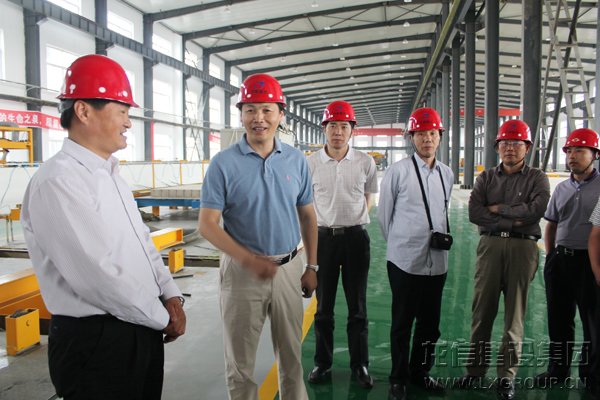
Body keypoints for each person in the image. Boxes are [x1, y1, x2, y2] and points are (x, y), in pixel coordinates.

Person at [20, 54, 186, 400]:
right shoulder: (59, 181)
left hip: (139, 326)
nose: (128, 123)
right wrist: (161, 317)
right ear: (83, 111)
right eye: (122, 111)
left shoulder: (110, 173)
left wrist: (170, 294)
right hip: (96, 341)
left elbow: (142, 242)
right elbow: (98, 275)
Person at [198, 73, 318, 400]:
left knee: (291, 356)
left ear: (280, 114)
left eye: (267, 110)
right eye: (250, 110)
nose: (259, 118)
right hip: (241, 274)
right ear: (241, 115)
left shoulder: (296, 161)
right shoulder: (223, 164)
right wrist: (248, 260)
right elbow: (207, 224)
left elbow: (308, 216)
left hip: (289, 269)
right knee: (240, 363)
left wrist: (312, 266)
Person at [457, 119, 550, 400]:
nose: (510, 148)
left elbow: (535, 212)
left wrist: (499, 210)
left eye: (516, 143)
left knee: (515, 314)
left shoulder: (537, 178)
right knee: (482, 311)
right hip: (490, 247)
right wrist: (514, 216)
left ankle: (506, 377)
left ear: (527, 147)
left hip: (523, 249)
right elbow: (475, 213)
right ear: (497, 147)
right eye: (505, 143)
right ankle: (475, 371)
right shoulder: (486, 178)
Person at [377, 107, 453, 400]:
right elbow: (384, 217)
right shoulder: (398, 172)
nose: (427, 139)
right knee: (402, 323)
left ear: (439, 137)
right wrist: (401, 244)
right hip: (404, 262)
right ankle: (398, 378)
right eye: (421, 133)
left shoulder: (446, 173)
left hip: (437, 262)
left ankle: (420, 372)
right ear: (412, 137)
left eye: (432, 133)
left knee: (430, 325)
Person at [306, 100, 378, 388]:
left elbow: (370, 196)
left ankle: (360, 364)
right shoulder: (310, 163)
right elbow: (305, 204)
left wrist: (355, 218)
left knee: (357, 306)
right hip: (323, 239)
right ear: (324, 129)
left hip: (356, 239)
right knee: (323, 307)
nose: (338, 131)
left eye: (343, 126)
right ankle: (322, 364)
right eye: (333, 125)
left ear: (352, 130)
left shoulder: (365, 162)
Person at [535, 128, 600, 393]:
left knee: (592, 322)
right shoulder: (561, 188)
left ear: (594, 154)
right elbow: (551, 224)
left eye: (579, 151)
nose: (572, 156)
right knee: (559, 320)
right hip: (560, 261)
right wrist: (551, 256)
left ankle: (591, 376)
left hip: (589, 263)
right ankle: (557, 370)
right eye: (569, 151)